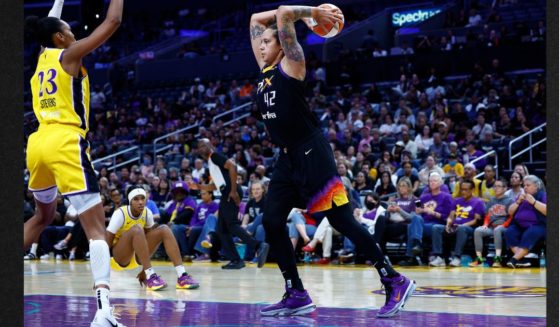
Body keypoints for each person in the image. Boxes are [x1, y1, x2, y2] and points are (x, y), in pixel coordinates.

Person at [249, 5, 415, 318]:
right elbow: (255, 20)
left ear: (282, 45)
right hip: (286, 158)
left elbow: (284, 13)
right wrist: (274, 25)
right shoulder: (265, 72)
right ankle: (295, 292)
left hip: (311, 151)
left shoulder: (292, 65)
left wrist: (312, 13)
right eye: (261, 42)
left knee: (342, 221)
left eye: (268, 42)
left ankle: (394, 279)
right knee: (271, 220)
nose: (261, 45)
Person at [24, 0, 124, 325]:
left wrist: (59, 2)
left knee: (43, 217)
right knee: (96, 231)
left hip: (38, 143)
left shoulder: (41, 59)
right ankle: (104, 311)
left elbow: (49, 24)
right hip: (66, 141)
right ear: (59, 38)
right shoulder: (69, 55)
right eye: (68, 31)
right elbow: (112, 21)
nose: (72, 32)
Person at [188, 139, 270, 269]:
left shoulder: (214, 156)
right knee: (222, 229)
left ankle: (258, 245)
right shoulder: (211, 162)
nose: (202, 148)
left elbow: (233, 166)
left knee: (231, 225)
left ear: (211, 145)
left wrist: (232, 191)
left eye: (204, 145)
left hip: (230, 192)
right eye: (199, 146)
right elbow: (216, 185)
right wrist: (198, 186)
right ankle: (236, 260)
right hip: (226, 191)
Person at [106, 186, 199, 290]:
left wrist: (143, 270)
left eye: (142, 198)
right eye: (136, 199)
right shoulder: (120, 213)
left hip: (137, 256)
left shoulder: (147, 213)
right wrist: (101, 277)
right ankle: (151, 276)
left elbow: (147, 242)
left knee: (164, 229)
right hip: (120, 257)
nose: (140, 202)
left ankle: (182, 276)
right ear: (130, 201)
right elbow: (107, 243)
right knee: (137, 229)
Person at [439, 180, 485, 267]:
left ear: (472, 190)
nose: (463, 191)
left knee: (461, 229)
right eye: (462, 189)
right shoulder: (456, 201)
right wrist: (448, 224)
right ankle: (439, 257)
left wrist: (462, 225)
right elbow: (451, 216)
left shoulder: (478, 202)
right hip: (455, 226)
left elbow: (476, 220)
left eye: (466, 189)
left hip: (469, 228)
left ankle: (457, 258)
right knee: (436, 228)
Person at [469, 178, 513, 268]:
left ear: (505, 189)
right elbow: (487, 215)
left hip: (504, 227)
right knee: (478, 230)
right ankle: (479, 259)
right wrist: (485, 224)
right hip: (492, 227)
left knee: (497, 230)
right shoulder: (491, 200)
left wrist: (504, 225)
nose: (496, 188)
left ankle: (497, 259)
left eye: (498, 186)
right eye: (495, 186)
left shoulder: (510, 201)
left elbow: (511, 217)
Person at [505, 175, 547, 268]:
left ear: (536, 186)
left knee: (530, 233)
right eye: (524, 185)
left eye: (528, 185)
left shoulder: (543, 195)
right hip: (519, 225)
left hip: (538, 225)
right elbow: (510, 212)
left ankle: (514, 259)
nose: (525, 187)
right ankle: (522, 260)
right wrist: (517, 202)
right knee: (509, 232)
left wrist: (534, 202)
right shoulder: (521, 196)